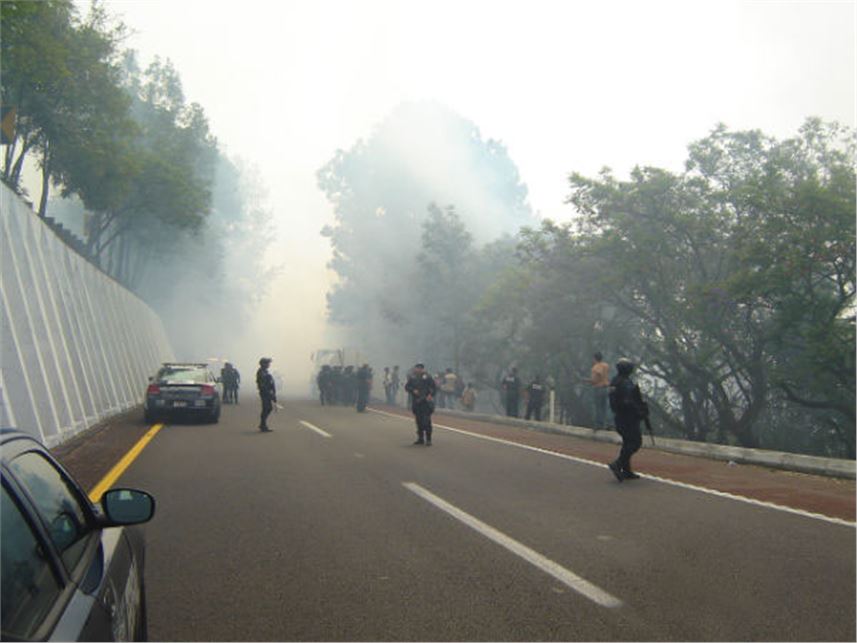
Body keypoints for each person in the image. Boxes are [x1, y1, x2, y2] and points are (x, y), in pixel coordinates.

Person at [607, 358, 647, 481]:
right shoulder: (625, 383)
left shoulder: (614, 381)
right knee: (635, 443)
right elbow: (629, 401)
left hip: (619, 416)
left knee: (627, 443)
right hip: (628, 417)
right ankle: (618, 464)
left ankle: (627, 470)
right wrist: (639, 411)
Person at [404, 363, 437, 445]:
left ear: (423, 369)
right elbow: (407, 387)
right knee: (418, 421)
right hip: (416, 402)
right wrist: (413, 390)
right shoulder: (413, 377)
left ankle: (428, 439)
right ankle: (420, 438)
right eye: (417, 368)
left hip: (426, 403)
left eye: (420, 368)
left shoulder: (428, 377)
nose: (418, 370)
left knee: (426, 421)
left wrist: (430, 395)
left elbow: (434, 388)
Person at [590, 352, 610, 429]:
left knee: (598, 407)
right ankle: (605, 424)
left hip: (598, 388)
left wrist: (587, 381)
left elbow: (595, 379)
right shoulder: (606, 366)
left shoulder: (596, 367)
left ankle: (599, 425)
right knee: (604, 407)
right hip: (605, 388)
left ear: (595, 358)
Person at [256, 357, 276, 432]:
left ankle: (263, 424)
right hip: (264, 393)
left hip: (267, 392)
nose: (268, 364)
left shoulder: (265, 371)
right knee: (266, 408)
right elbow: (262, 384)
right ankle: (263, 425)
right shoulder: (261, 372)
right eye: (267, 363)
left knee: (268, 408)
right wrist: (269, 393)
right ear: (263, 364)